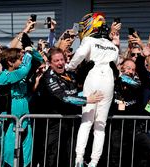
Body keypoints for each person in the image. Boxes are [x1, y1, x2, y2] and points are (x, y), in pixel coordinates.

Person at [65, 12, 120, 167]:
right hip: (108, 79)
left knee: (87, 121)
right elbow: (117, 65)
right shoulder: (113, 46)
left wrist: (69, 67)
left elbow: (79, 56)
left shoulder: (88, 40)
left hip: (94, 76)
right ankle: (94, 162)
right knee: (100, 125)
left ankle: (78, 159)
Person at [35, 47, 103, 167]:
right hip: (53, 123)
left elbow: (78, 88)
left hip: (71, 122)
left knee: (71, 154)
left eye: (62, 59)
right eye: (56, 61)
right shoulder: (48, 77)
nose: (60, 63)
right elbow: (65, 98)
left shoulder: (69, 74)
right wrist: (87, 100)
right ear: (50, 63)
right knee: (52, 155)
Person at [0, 48, 35, 167]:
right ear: (10, 62)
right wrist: (27, 55)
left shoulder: (20, 74)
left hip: (24, 119)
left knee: (26, 154)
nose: (22, 60)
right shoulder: (3, 76)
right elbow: (24, 70)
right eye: (19, 58)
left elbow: (37, 62)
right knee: (9, 154)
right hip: (10, 121)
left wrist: (32, 51)